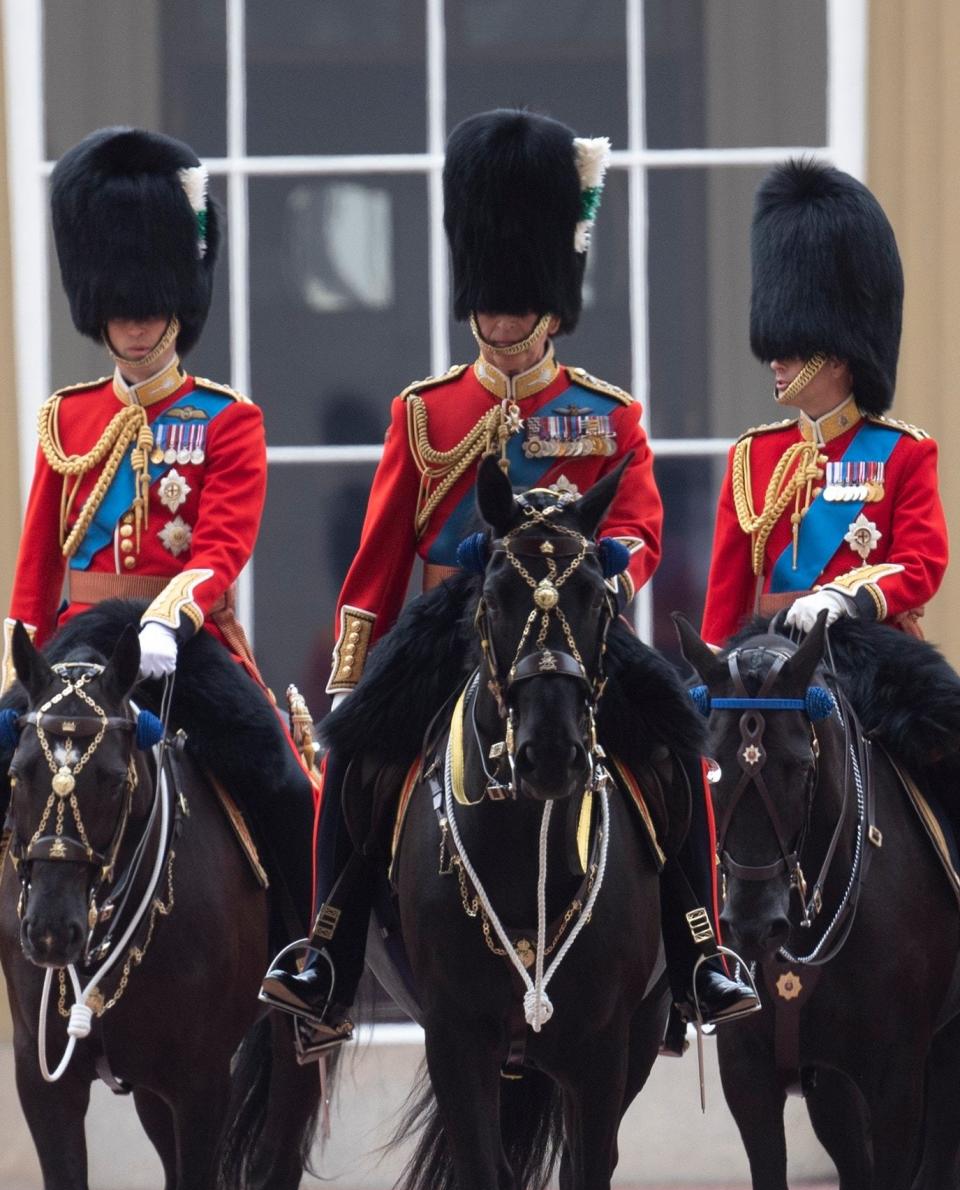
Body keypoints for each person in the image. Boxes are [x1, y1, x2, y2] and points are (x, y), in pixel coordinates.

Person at [261, 108, 758, 1055]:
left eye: (516, 298)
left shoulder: (604, 414)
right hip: (455, 624)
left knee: (676, 754)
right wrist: (350, 674)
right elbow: (378, 562)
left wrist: (612, 563)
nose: (499, 316)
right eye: (487, 299)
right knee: (357, 764)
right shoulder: (427, 411)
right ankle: (323, 955)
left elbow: (643, 524)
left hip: (574, 623)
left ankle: (701, 953)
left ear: (550, 300)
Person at [2, 126, 317, 939]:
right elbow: (41, 555)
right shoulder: (69, 417)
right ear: (99, 316)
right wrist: (24, 646)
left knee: (283, 785)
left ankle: (305, 966)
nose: (138, 329)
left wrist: (173, 614)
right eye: (121, 315)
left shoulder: (225, 418)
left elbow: (223, 546)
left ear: (180, 307)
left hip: (183, 638)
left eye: (151, 313)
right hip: (76, 644)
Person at [702, 158, 948, 648]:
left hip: (869, 649)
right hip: (771, 651)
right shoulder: (752, 457)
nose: (776, 360)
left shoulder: (903, 453)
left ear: (837, 357)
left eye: (791, 348)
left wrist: (844, 598)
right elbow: (727, 594)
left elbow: (921, 566)